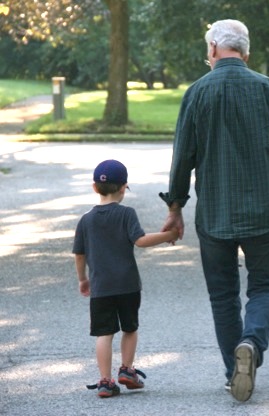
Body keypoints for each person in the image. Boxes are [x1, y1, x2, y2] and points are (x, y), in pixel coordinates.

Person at [159, 19, 269, 402]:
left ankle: (234, 373)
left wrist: (175, 207)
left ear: (212, 50)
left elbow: (183, 159)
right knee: (263, 286)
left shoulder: (196, 93)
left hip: (215, 214)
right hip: (263, 212)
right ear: (246, 51)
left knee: (222, 296)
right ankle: (253, 346)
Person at [73, 159, 179, 398]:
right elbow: (140, 241)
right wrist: (168, 235)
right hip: (128, 285)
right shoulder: (126, 214)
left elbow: (79, 254)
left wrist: (83, 279)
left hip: (101, 288)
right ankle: (127, 371)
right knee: (130, 328)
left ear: (94, 187)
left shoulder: (86, 220)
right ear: (124, 188)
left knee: (104, 333)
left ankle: (104, 381)